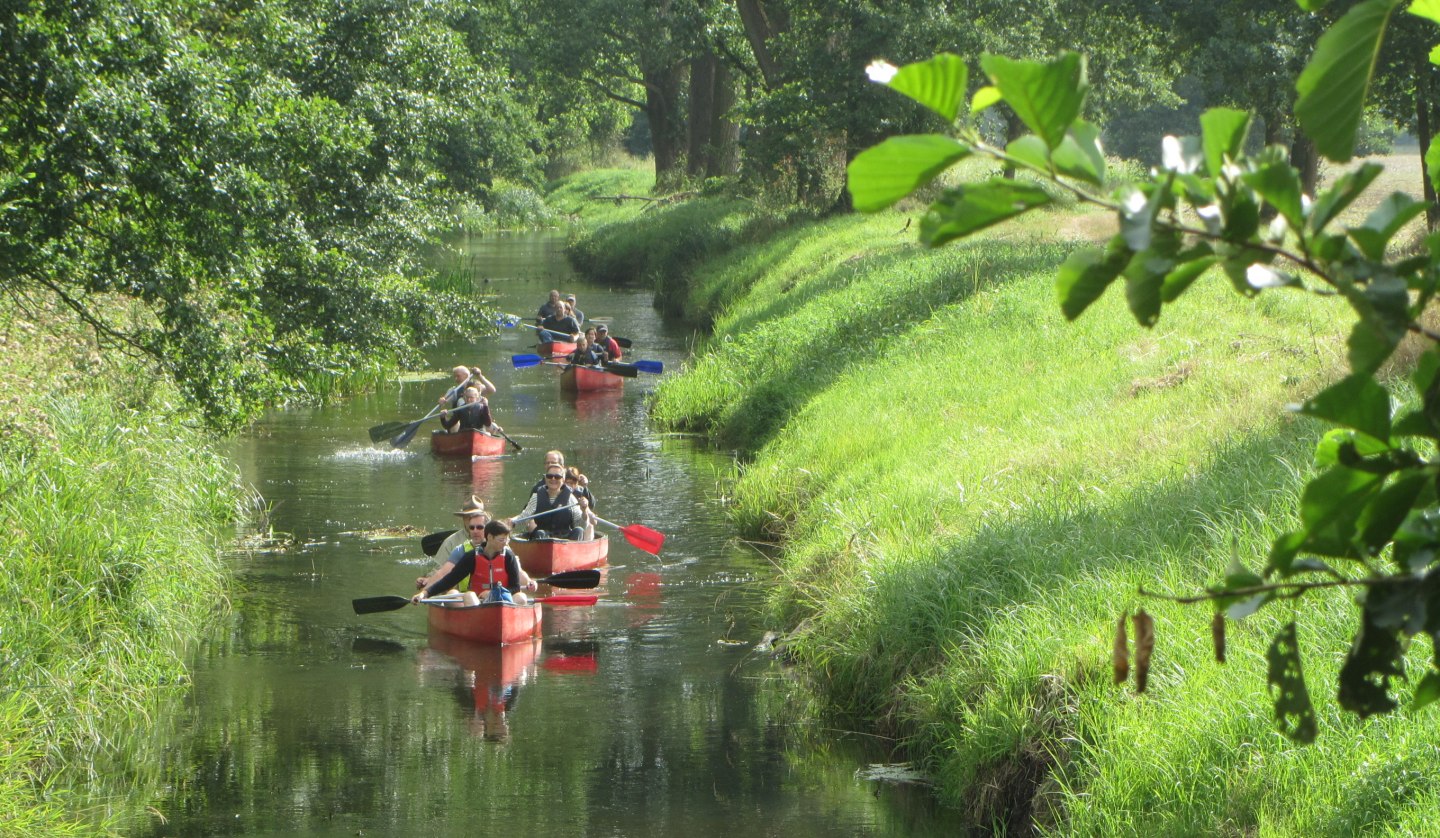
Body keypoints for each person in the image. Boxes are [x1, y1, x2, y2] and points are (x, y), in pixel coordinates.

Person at [414, 519, 537, 607]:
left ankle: (509, 627)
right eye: (501, 540)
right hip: (477, 602)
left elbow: (515, 587)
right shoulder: (472, 557)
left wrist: (493, 593)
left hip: (503, 601)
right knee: (468, 595)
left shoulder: (508, 556)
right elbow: (449, 580)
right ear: (489, 537)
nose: (505, 543)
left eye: (506, 539)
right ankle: (476, 625)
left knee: (521, 597)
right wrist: (425, 593)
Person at [418, 496, 490, 591]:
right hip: (458, 594)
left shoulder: (494, 540)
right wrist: (427, 580)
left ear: (483, 519)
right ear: (463, 518)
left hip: (487, 591)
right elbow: (440, 571)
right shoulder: (452, 543)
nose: (472, 520)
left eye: (475, 516)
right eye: (468, 517)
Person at [511, 464, 583, 541]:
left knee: (579, 530)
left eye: (557, 477)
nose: (553, 479)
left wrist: (585, 511)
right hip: (543, 539)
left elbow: (579, 523)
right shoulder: (536, 497)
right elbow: (524, 517)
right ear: (545, 478)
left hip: (565, 541)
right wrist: (511, 522)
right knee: (540, 533)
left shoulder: (571, 498)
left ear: (563, 479)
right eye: (549, 476)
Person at [565, 467, 599, 541]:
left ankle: (587, 547)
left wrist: (589, 514)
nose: (571, 486)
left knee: (590, 525)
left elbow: (594, 521)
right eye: (568, 483)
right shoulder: (559, 492)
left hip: (579, 526)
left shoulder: (580, 494)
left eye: (574, 483)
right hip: (566, 528)